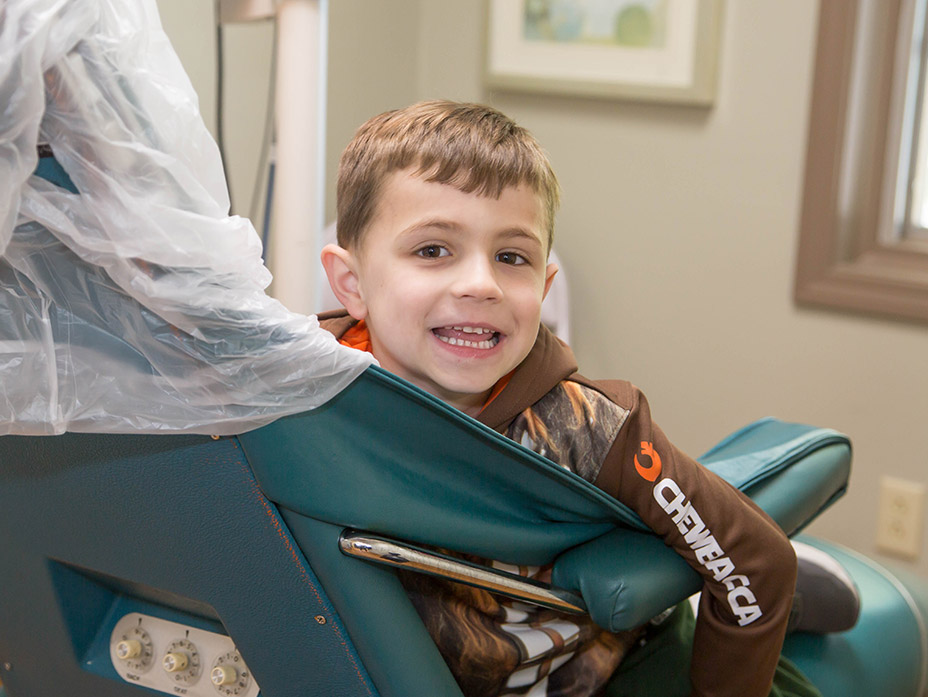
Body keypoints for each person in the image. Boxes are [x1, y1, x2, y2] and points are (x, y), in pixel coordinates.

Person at [318, 100, 820, 697]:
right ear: (351, 284)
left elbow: (757, 565)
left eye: (512, 257)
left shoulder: (591, 429)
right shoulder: (301, 405)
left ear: (544, 285)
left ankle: (817, 590)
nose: (480, 284)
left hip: (625, 666)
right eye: (432, 250)